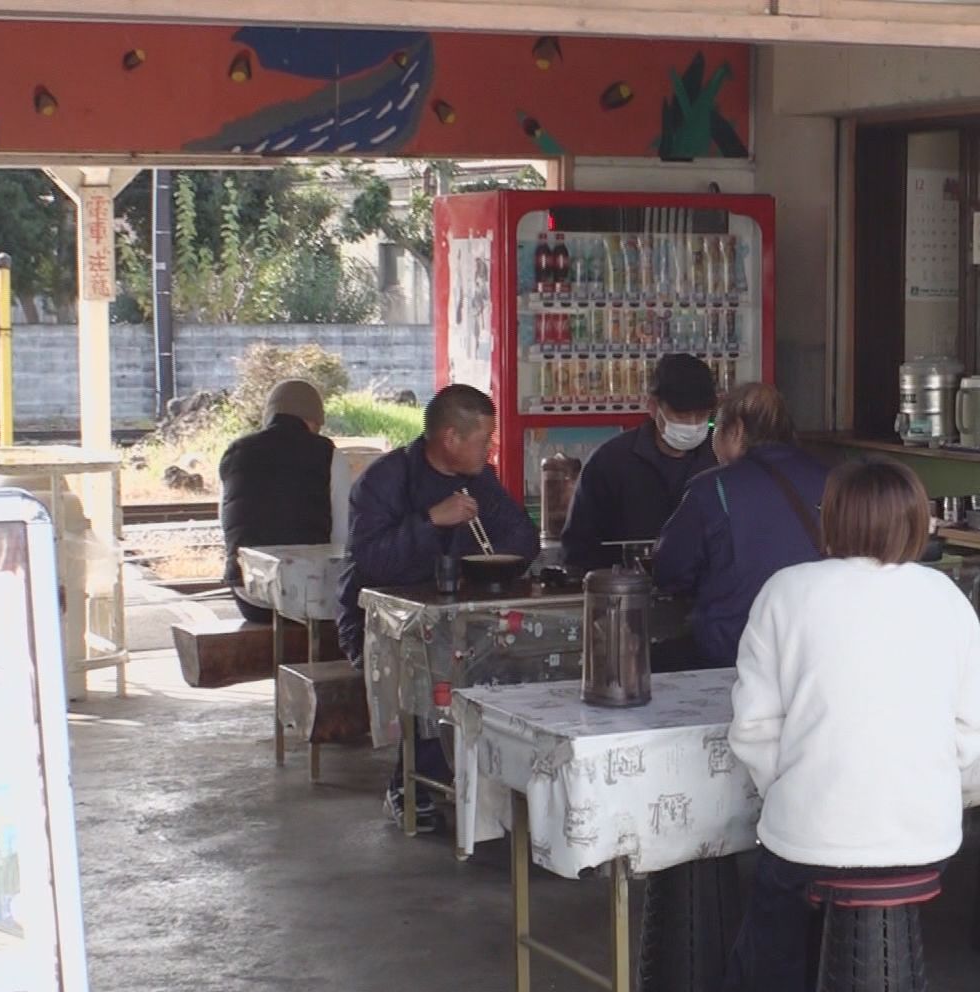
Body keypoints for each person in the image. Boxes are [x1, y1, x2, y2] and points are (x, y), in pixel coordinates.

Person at [723, 460, 980, 992]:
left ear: (832, 520)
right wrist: (919, 772)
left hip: (810, 831)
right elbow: (976, 725)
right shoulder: (946, 596)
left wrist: (793, 788)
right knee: (810, 862)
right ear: (918, 523)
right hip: (925, 839)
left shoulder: (786, 590)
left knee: (782, 876)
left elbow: (752, 726)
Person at [337, 384, 537, 833]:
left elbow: (523, 537)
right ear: (450, 438)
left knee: (522, 660)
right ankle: (410, 784)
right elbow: (370, 561)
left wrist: (490, 565)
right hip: (380, 620)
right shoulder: (386, 480)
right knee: (437, 671)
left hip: (459, 613)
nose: (490, 449)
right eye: (483, 440)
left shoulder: (480, 479)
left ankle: (494, 776)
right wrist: (431, 521)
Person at [651, 384, 830, 668]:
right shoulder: (833, 479)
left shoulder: (713, 488)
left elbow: (669, 570)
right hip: (815, 648)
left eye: (715, 427)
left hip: (731, 650)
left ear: (735, 430)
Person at [561, 353, 718, 576]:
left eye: (701, 415)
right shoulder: (610, 461)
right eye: (682, 415)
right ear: (653, 407)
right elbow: (578, 548)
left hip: (706, 590)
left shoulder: (720, 458)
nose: (693, 424)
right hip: (626, 588)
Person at [218, 379, 348, 625]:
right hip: (308, 599)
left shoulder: (236, 452)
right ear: (314, 420)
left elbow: (226, 525)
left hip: (250, 597)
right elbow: (343, 536)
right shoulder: (329, 454)